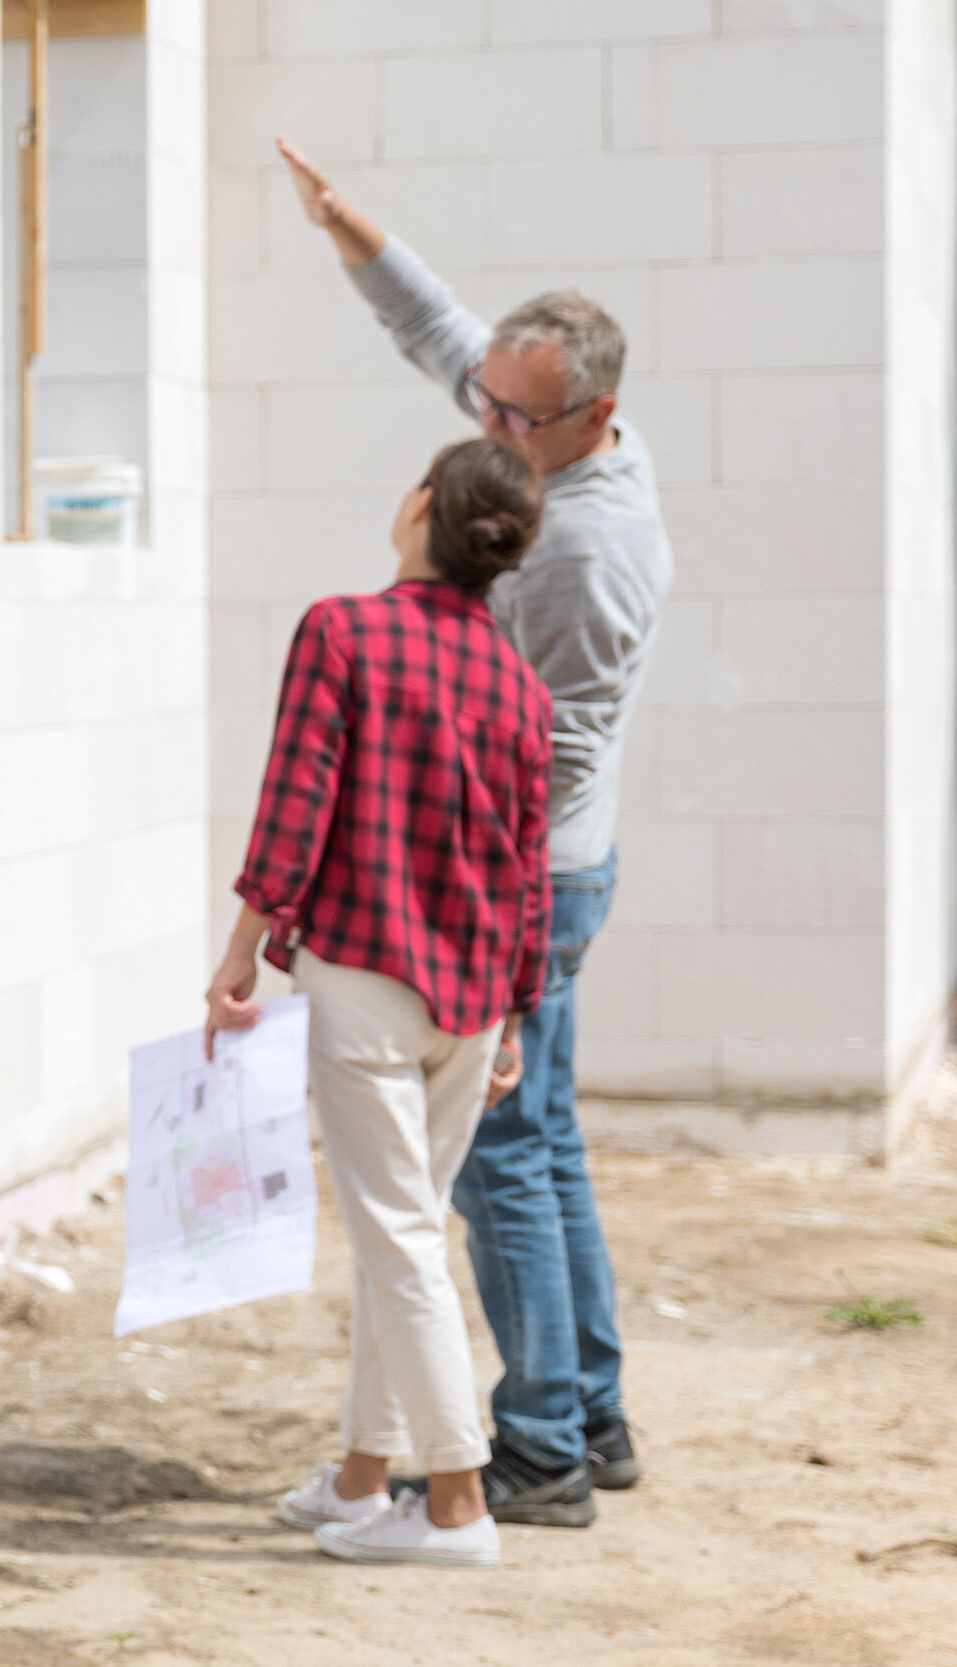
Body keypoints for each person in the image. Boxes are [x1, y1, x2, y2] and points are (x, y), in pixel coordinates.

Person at [272, 137, 674, 1527]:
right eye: (487, 401)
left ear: (590, 415)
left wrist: (461, 896)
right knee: (545, 1139)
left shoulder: (579, 551)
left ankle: (542, 1448)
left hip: (534, 874)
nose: (482, 423)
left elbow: (539, 761)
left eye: (512, 414)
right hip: (529, 865)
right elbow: (441, 332)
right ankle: (594, 1411)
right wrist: (349, 227)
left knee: (499, 1157)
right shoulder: (531, 432)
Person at [206, 438, 552, 1570]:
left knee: (397, 1236)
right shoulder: (518, 680)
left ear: (418, 510)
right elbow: (526, 862)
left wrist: (241, 952)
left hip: (364, 976)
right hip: (472, 997)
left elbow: (294, 802)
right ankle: (362, 1477)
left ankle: (453, 1501)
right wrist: (517, 1011)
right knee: (397, 1233)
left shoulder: (341, 629)